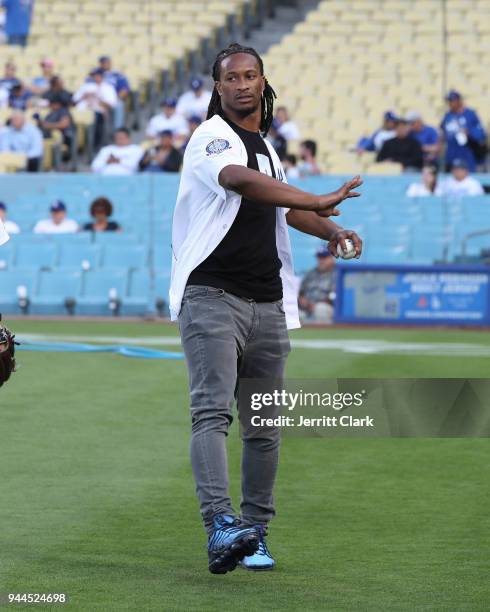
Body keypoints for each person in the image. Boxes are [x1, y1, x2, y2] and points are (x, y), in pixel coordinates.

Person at [170, 42, 362, 575]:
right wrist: (316, 198)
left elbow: (282, 206)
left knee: (264, 424)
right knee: (211, 413)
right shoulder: (211, 138)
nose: (241, 84)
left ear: (263, 82)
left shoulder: (269, 148)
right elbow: (239, 182)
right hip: (212, 294)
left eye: (250, 75)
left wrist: (331, 228)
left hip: (268, 303)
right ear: (218, 87)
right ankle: (220, 525)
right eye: (230, 77)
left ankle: (254, 534)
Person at [440, 90, 486, 172]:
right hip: (451, 156)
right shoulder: (448, 116)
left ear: (459, 101)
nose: (450, 103)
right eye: (449, 101)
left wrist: (469, 132)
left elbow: (481, 135)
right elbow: (443, 132)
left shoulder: (470, 114)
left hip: (467, 156)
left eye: (452, 101)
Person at [73, 68, 117, 149]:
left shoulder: (108, 88)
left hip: (98, 111)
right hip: (83, 110)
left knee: (96, 120)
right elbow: (74, 100)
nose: (97, 77)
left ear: (102, 77)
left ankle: (95, 145)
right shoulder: (86, 86)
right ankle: (79, 144)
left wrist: (97, 98)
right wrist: (85, 96)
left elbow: (111, 105)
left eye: (98, 76)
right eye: (95, 76)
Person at [298, 246, 336, 323]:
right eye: (319, 257)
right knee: (295, 314)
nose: (321, 260)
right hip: (306, 308)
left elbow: (335, 297)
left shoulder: (337, 274)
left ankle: (324, 335)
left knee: (320, 309)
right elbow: (301, 292)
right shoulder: (310, 273)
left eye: (324, 257)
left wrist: (314, 305)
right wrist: (302, 300)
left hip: (327, 308)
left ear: (332, 258)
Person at [98, 55, 131, 129]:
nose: (104, 64)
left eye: (106, 62)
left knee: (119, 105)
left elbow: (125, 88)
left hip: (114, 99)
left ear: (110, 63)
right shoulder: (96, 74)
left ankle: (117, 130)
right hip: (99, 100)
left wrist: (115, 98)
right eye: (103, 63)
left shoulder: (117, 74)